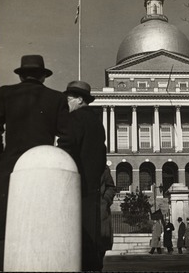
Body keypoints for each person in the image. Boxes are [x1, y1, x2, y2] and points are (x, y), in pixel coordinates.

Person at [0, 55, 71, 271]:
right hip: (44, 167)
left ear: (20, 75)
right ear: (43, 76)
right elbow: (67, 137)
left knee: (6, 223)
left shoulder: (4, 93)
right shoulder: (56, 98)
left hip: (10, 166)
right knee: (42, 223)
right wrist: (56, 160)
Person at [64, 80, 107, 271]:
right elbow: (101, 159)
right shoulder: (98, 124)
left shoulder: (76, 118)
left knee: (78, 234)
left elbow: (67, 147)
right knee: (91, 233)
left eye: (70, 98)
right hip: (93, 186)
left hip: (77, 186)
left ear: (80, 100)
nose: (68, 103)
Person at [99, 166, 116, 267]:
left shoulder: (103, 168)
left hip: (100, 212)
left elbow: (111, 187)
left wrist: (105, 201)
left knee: (98, 255)